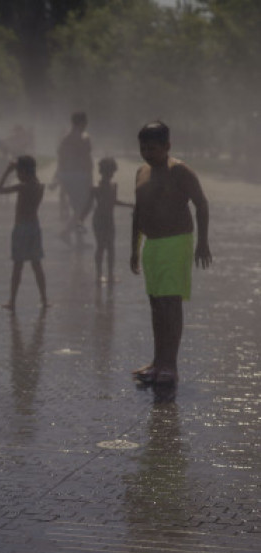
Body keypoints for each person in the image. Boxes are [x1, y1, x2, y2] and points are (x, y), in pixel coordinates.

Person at [130, 121, 211, 385]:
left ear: (167, 146)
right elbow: (138, 212)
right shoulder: (141, 172)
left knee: (170, 304)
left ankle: (170, 365)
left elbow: (201, 204)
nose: (147, 153)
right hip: (151, 245)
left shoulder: (180, 171)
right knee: (156, 304)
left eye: (152, 148)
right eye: (143, 148)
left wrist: (202, 242)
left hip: (176, 243)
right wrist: (134, 249)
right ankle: (157, 361)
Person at [0, 156, 48, 311]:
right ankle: (44, 299)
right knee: (37, 265)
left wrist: (7, 171)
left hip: (21, 228)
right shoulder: (40, 186)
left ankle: (12, 301)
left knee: (18, 266)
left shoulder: (23, 187)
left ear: (24, 171)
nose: (17, 175)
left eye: (18, 172)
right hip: (34, 227)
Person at [84, 157, 132, 284]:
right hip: (99, 219)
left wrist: (129, 205)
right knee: (101, 246)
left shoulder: (113, 186)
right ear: (101, 172)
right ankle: (99, 274)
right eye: (107, 172)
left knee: (111, 247)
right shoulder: (95, 188)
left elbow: (114, 201)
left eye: (111, 172)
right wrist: (80, 219)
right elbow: (88, 205)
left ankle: (110, 274)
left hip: (109, 220)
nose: (110, 175)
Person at [52, 111, 93, 246]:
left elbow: (61, 160)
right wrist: (90, 177)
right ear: (82, 123)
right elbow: (87, 160)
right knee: (84, 206)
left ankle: (78, 239)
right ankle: (65, 232)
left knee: (76, 207)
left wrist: (58, 177)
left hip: (67, 175)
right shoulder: (84, 138)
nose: (86, 125)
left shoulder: (65, 139)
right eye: (85, 122)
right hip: (80, 175)